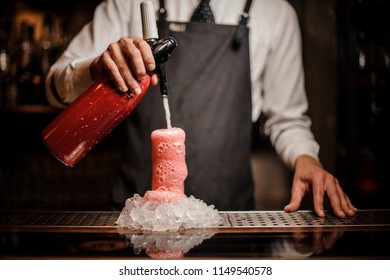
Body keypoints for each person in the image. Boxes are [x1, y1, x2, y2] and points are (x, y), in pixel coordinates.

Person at [45, 0, 357, 217]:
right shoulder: (128, 4)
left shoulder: (275, 12)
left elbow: (287, 120)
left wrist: (307, 160)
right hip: (138, 221)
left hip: (229, 221)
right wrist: (94, 69)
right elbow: (53, 88)